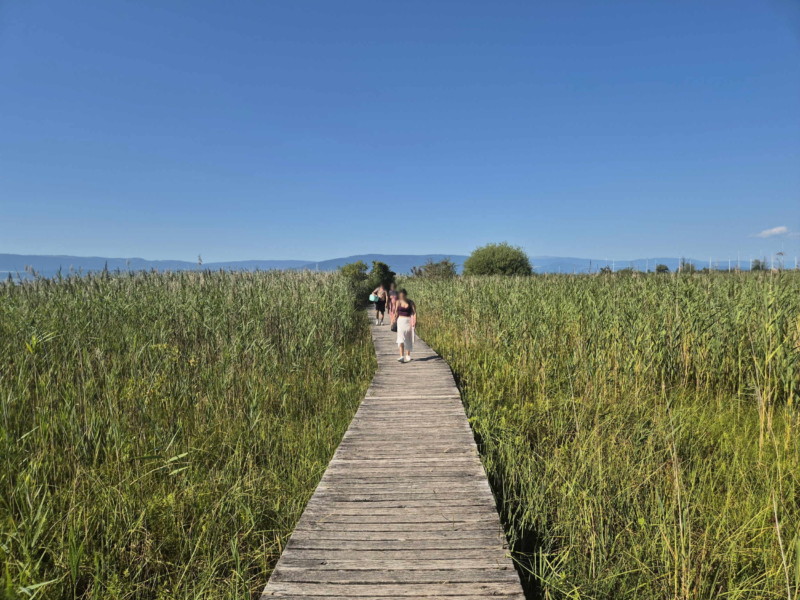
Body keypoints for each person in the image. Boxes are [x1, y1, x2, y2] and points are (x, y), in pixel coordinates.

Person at [391, 289, 416, 362]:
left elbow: (414, 312)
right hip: (400, 321)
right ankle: (401, 356)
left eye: (402, 295)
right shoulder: (398, 302)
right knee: (400, 338)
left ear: (405, 295)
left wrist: (415, 321)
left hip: (408, 321)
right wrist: (393, 320)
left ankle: (408, 355)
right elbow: (396, 312)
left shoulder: (410, 302)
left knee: (408, 338)